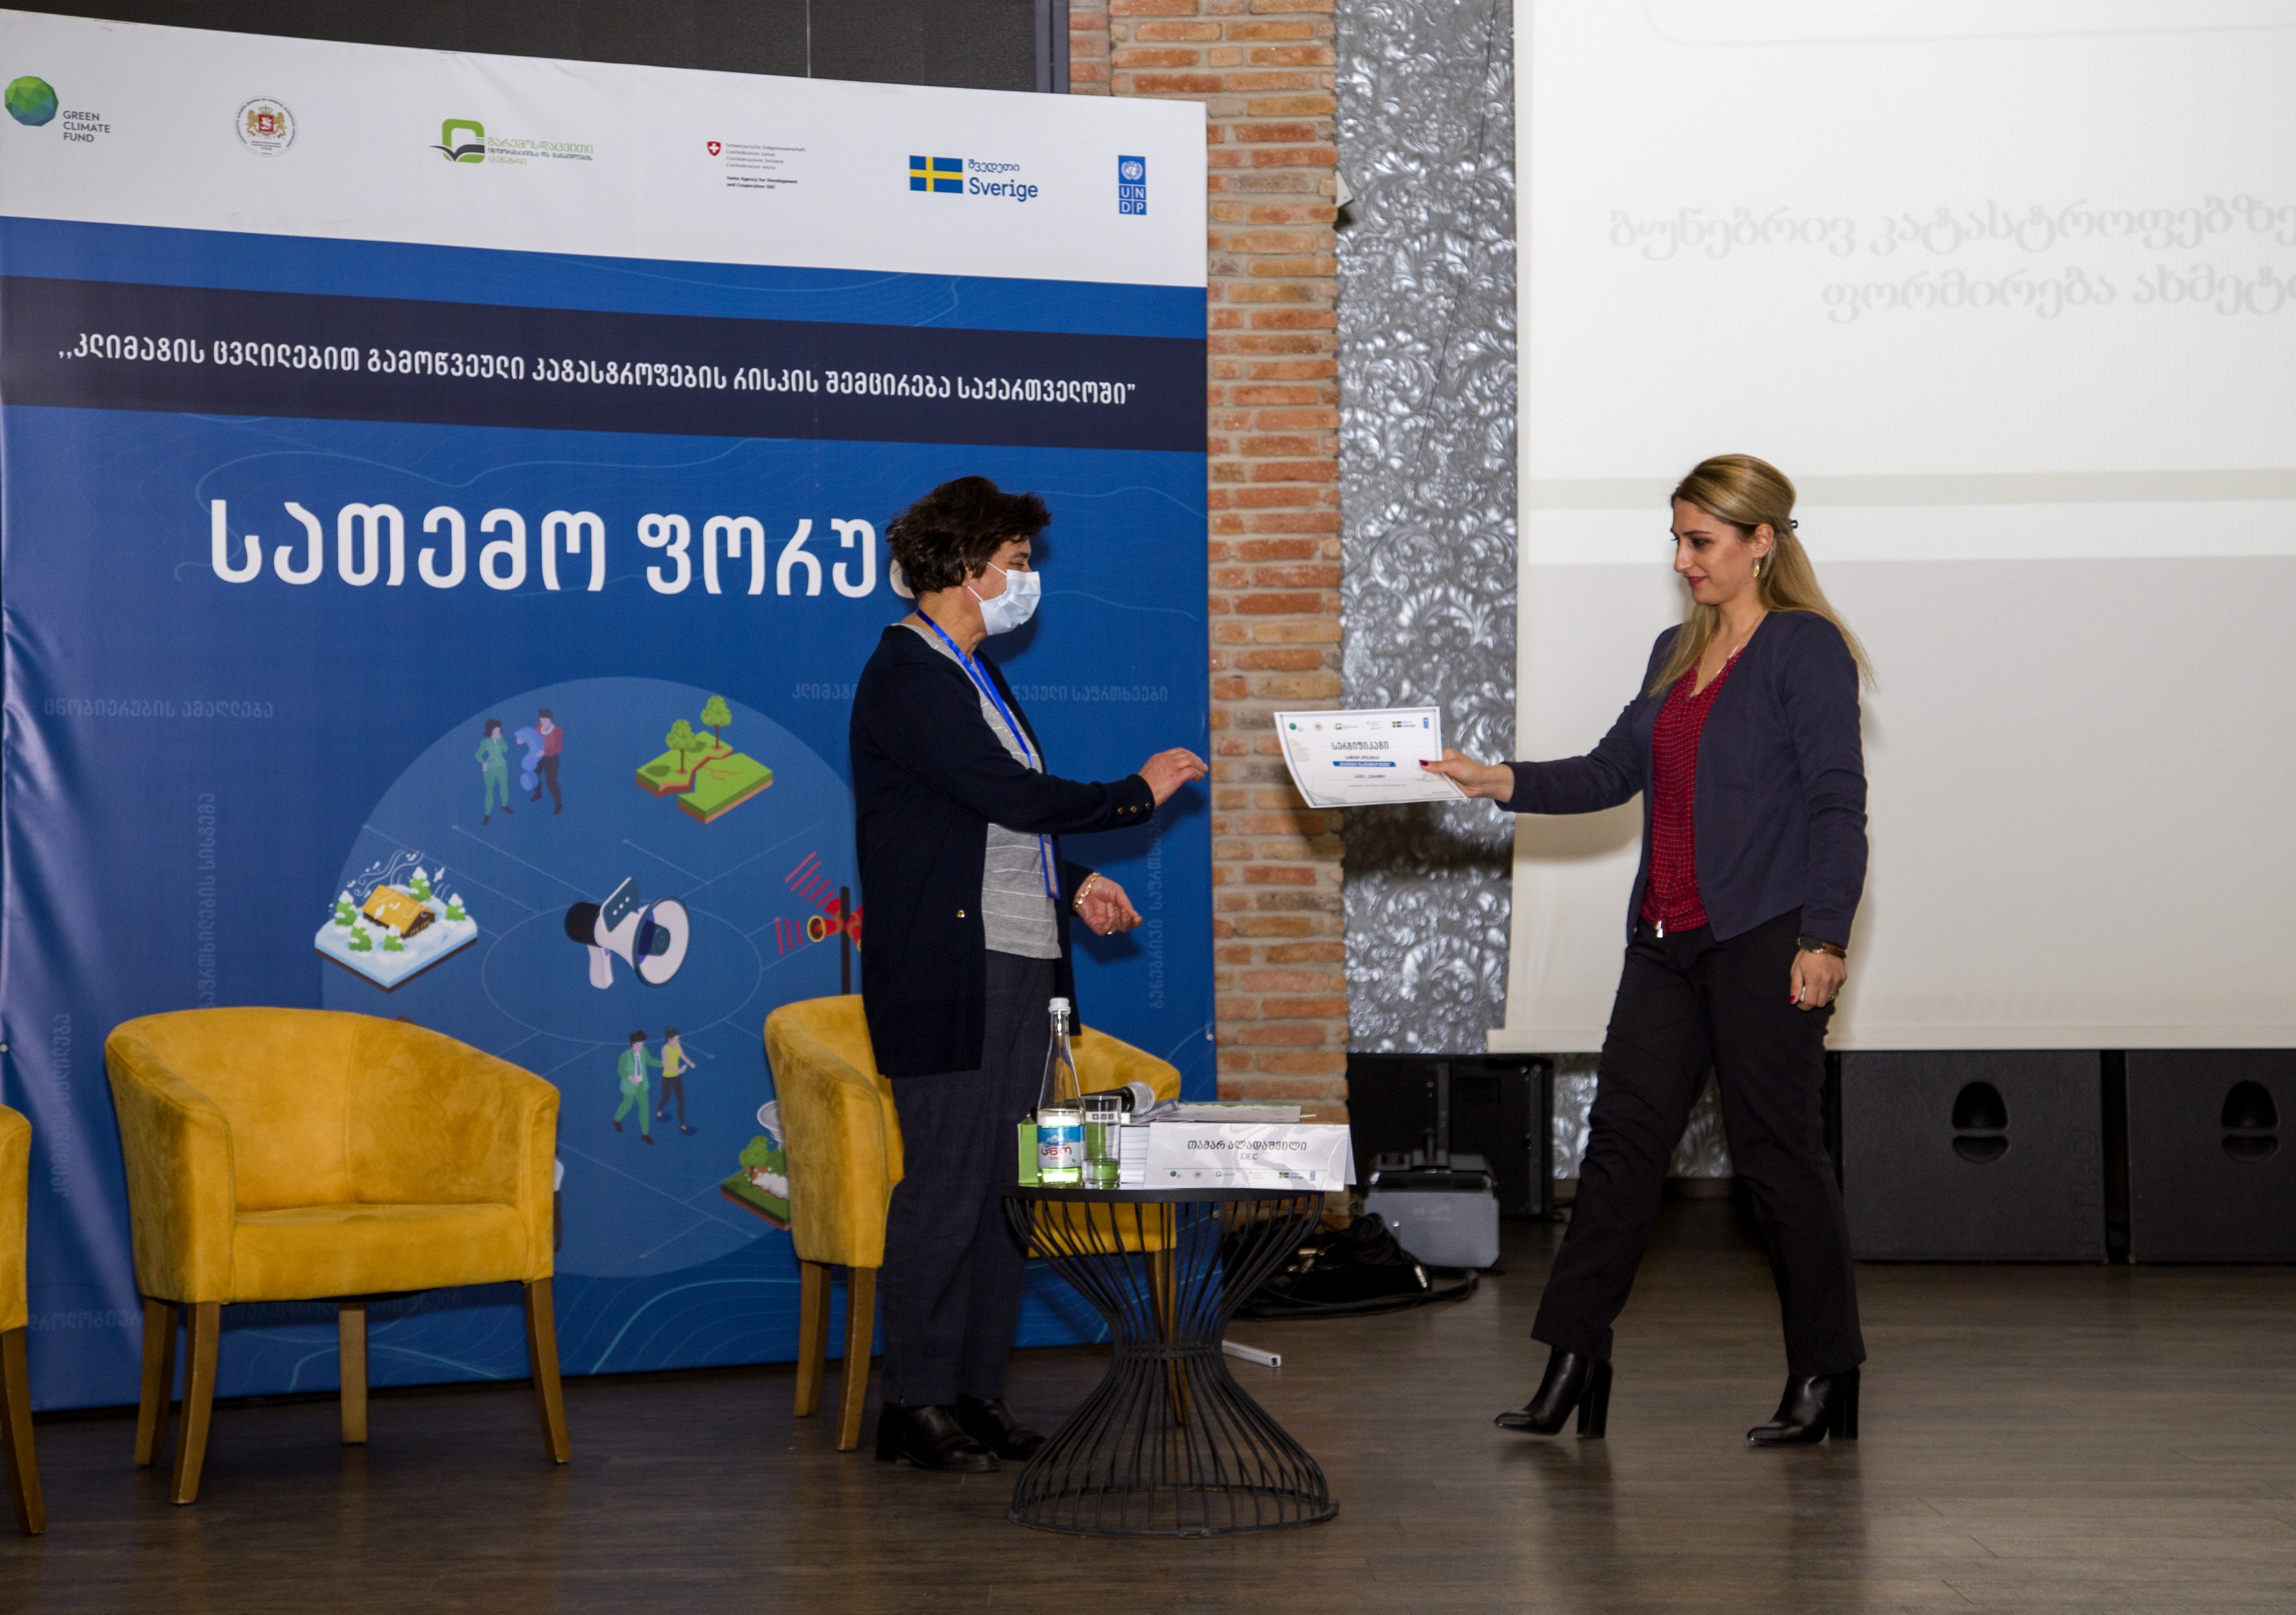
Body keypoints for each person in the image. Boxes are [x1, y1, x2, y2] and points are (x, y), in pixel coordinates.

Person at [1425, 454, 1871, 1447]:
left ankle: (1826, 1370)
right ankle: (1574, 1358)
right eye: (1676, 540)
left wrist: (1825, 935)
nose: (1682, 561)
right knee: (1620, 1153)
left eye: (1700, 541)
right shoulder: (1676, 649)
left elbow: (1838, 805)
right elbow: (1608, 771)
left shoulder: (1804, 648)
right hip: (1665, 943)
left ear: (1761, 542)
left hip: (1764, 938)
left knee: (1777, 1161)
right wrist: (1497, 779)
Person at [850, 476, 1205, 1473]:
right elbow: (1005, 792)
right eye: (1016, 560)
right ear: (967, 567)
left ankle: (975, 1393)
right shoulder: (909, 673)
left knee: (1009, 1187)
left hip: (1016, 959)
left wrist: (1076, 882)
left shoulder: (971, 671)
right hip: (952, 974)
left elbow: (989, 825)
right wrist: (1135, 795)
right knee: (948, 1187)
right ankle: (913, 1402)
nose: (1027, 577)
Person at [613, 1031, 659, 1145]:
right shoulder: (625, 1055)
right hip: (630, 1086)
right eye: (640, 1043)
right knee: (627, 1105)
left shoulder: (644, 1052)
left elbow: (650, 1061)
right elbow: (620, 1071)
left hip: (642, 1086)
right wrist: (631, 1078)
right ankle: (617, 1120)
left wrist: (665, 1064)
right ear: (633, 1044)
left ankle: (645, 1134)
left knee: (645, 1108)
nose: (642, 1045)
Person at [655, 1027, 694, 1135]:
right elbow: (666, 1065)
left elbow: (682, 1055)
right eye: (676, 1039)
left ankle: (682, 1124)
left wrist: (690, 1063)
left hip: (677, 1078)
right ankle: (659, 1110)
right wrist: (678, 1070)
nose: (678, 1041)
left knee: (681, 1100)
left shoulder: (677, 1046)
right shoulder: (665, 1049)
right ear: (670, 1039)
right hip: (667, 1078)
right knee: (666, 1099)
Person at [477, 719, 512, 824]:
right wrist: (484, 763)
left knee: (504, 787)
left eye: (499, 731)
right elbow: (478, 755)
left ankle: (505, 806)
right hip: (490, 770)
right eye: (496, 731)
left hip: (502, 767)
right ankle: (487, 814)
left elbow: (505, 749)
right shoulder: (485, 742)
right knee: (489, 791)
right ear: (490, 731)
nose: (498, 733)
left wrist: (500, 739)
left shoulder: (501, 739)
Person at [532, 708, 564, 813]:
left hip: (552, 758)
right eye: (541, 719)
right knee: (533, 773)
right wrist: (523, 740)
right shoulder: (538, 726)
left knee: (551, 782)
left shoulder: (557, 731)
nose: (543, 722)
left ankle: (558, 805)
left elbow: (558, 748)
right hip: (540, 756)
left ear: (550, 719)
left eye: (545, 720)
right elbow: (533, 737)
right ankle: (538, 793)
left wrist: (545, 752)